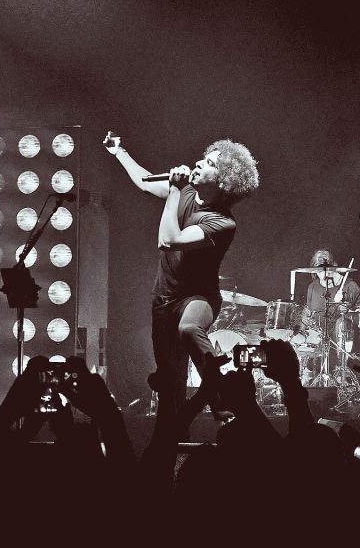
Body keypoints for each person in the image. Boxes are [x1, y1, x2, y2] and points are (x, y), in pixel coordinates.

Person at [104, 132, 259, 441]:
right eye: (206, 157)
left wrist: (175, 190)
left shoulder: (223, 223)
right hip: (163, 300)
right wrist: (119, 152)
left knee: (189, 329)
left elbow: (168, 240)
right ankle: (168, 450)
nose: (200, 161)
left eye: (211, 163)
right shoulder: (186, 191)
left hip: (198, 298)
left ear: (223, 181)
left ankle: (222, 408)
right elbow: (145, 180)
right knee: (169, 386)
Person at [301, 248, 360, 376]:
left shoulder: (349, 285)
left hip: (343, 345)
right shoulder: (313, 287)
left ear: (334, 267)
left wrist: (348, 312)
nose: (322, 276)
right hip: (319, 342)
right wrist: (303, 321)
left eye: (325, 270)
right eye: (318, 272)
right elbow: (307, 312)